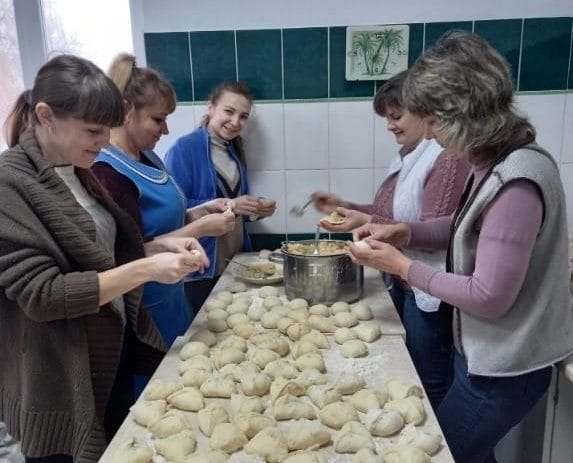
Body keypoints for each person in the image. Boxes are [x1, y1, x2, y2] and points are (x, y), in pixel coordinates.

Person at [348, 30, 573, 463]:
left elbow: (488, 296)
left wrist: (402, 266)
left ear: (462, 112)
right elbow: (468, 225)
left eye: (432, 120)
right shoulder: (494, 161)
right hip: (481, 354)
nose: (429, 134)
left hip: (506, 367)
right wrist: (405, 233)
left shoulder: (518, 179)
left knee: (444, 451)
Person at [0, 54, 208, 463]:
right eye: (93, 130)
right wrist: (146, 268)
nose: (104, 140)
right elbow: (43, 295)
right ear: (45, 116)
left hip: (110, 354)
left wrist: (159, 248)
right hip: (59, 374)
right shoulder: (10, 185)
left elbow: (103, 260)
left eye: (107, 129)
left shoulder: (78, 169)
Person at [313, 70, 470, 409]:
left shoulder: (446, 158)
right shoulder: (410, 157)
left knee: (428, 384)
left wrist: (368, 219)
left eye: (396, 116)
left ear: (425, 110)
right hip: (406, 281)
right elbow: (393, 213)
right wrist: (349, 208)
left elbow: (432, 231)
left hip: (430, 291)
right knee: (411, 375)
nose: (390, 125)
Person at [92, 53, 235, 347]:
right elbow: (130, 252)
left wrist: (199, 212)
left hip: (172, 298)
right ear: (126, 110)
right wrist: (202, 228)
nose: (166, 130)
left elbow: (161, 221)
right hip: (143, 312)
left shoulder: (147, 155)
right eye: (158, 119)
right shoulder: (107, 172)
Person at [165, 81, 277, 310]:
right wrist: (233, 206)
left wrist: (255, 210)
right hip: (201, 265)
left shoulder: (234, 150)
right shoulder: (184, 149)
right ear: (210, 108)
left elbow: (234, 208)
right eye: (229, 111)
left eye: (243, 116)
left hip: (235, 261)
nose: (236, 122)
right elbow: (175, 211)